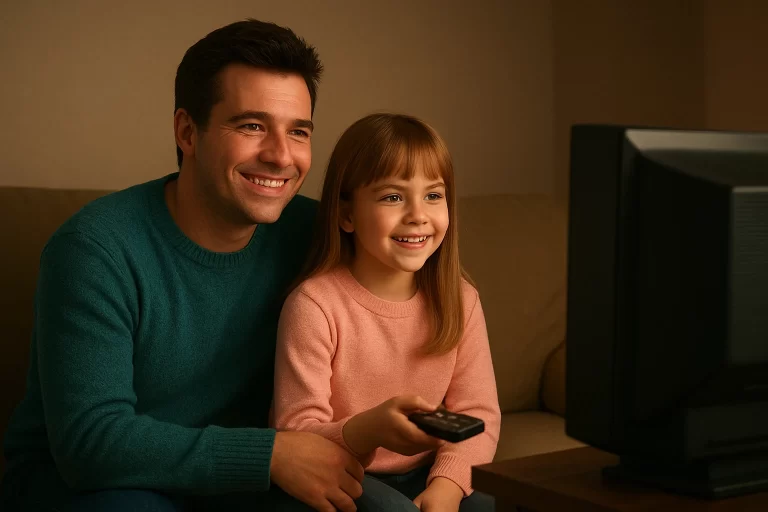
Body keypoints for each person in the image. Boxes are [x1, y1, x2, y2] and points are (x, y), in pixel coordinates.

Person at [0, 19, 367, 512]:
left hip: (237, 484)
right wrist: (269, 455)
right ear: (187, 131)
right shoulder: (94, 248)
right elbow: (90, 443)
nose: (282, 156)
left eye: (298, 131)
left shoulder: (315, 233)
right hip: (91, 486)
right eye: (252, 125)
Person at [272, 113, 501, 511]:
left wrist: (447, 485)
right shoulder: (314, 305)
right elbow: (297, 436)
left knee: (489, 502)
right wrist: (369, 430)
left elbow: (477, 413)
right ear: (346, 214)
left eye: (433, 195)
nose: (417, 213)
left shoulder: (461, 299)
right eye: (393, 197)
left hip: (428, 470)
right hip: (343, 471)